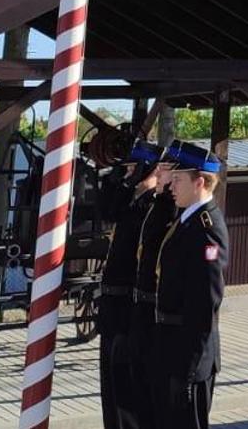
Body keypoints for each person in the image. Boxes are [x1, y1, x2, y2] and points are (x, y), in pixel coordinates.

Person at [151, 141, 229, 429]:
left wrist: (190, 369)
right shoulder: (187, 221)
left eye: (178, 179)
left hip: (188, 355)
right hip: (171, 346)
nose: (171, 185)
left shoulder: (207, 229)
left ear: (200, 182)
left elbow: (206, 303)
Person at [98, 140, 164, 429]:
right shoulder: (131, 199)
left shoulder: (152, 206)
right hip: (112, 304)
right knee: (111, 388)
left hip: (129, 306)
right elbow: (107, 212)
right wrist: (123, 183)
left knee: (127, 390)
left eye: (132, 169)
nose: (127, 174)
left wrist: (144, 185)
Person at [129, 144, 180, 426]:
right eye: (158, 169)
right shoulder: (155, 205)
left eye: (166, 170)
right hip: (141, 305)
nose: (159, 174)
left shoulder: (174, 212)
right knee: (137, 393)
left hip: (155, 309)